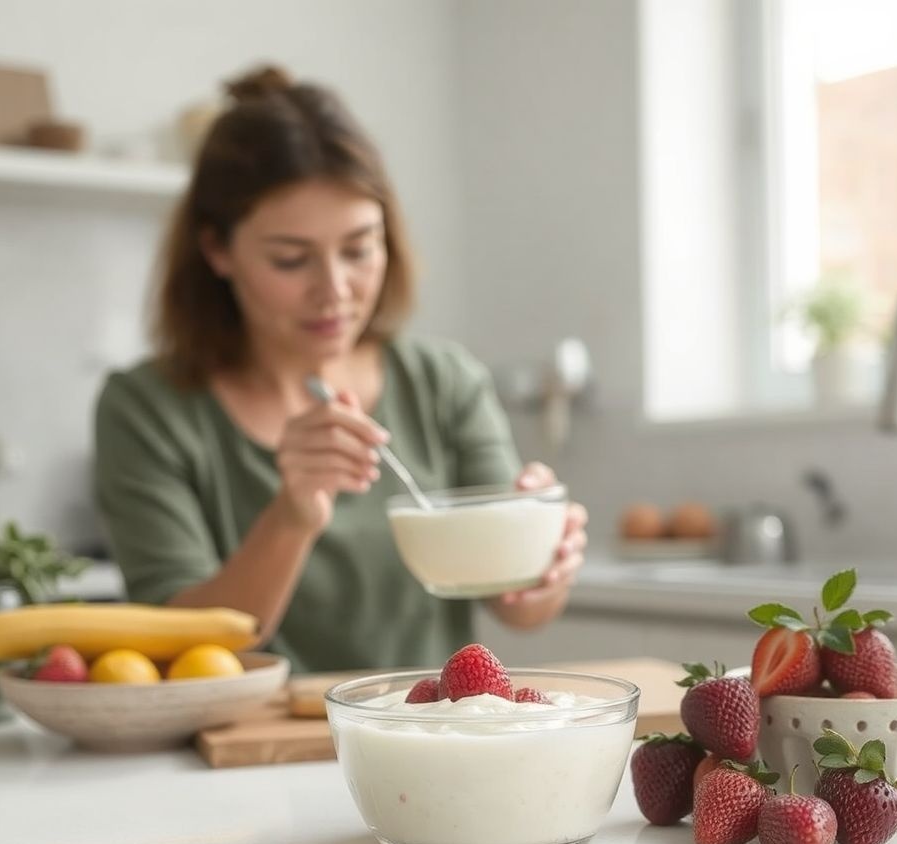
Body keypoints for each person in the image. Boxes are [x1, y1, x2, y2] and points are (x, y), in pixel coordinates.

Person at [93, 65, 588, 673]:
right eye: (291, 259)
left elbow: (519, 610)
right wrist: (290, 517)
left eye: (358, 250)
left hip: (420, 738)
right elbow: (174, 643)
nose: (334, 291)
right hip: (236, 753)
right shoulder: (148, 409)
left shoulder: (441, 381)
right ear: (217, 251)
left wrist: (541, 559)